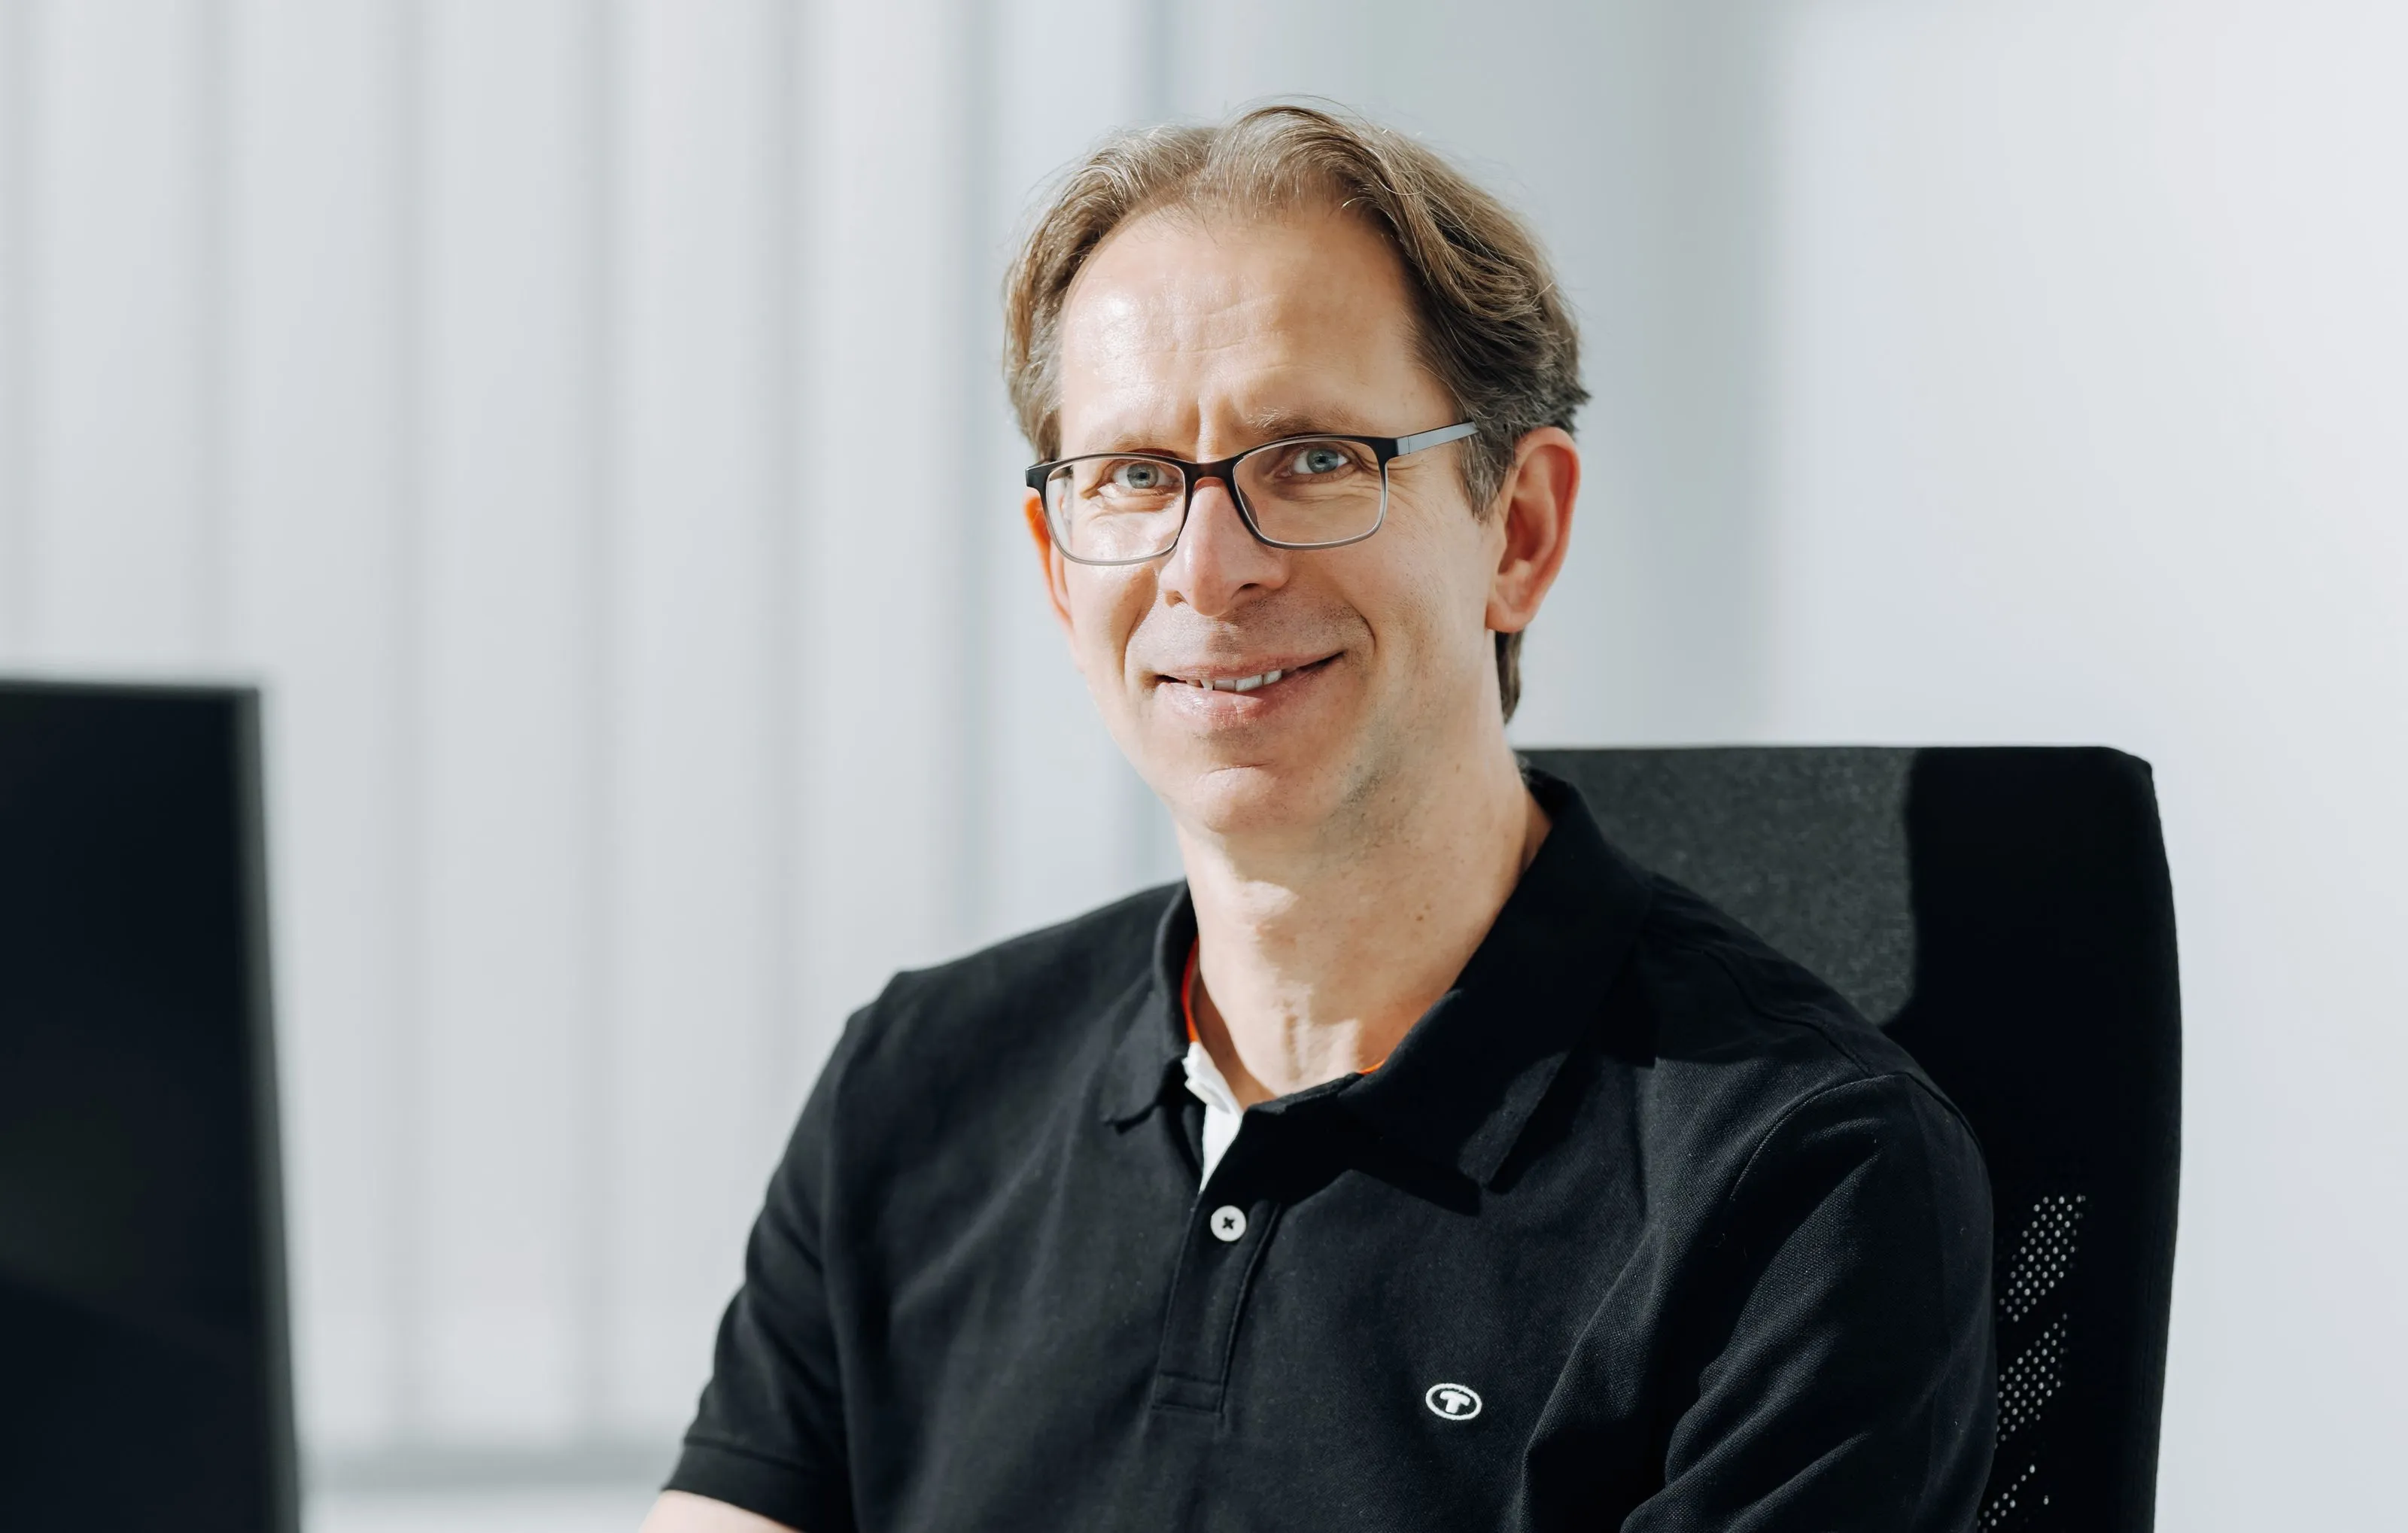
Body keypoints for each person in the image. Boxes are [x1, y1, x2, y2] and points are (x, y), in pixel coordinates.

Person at [643, 103, 1993, 1533]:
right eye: (1134, 478)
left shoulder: (1803, 1183)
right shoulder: (915, 1089)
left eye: (1314, 460)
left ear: (1518, 532)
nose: (1208, 570)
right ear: (1057, 562)